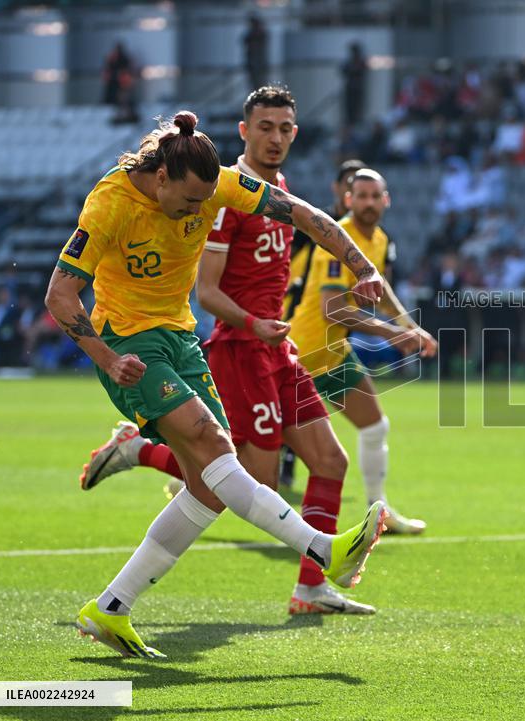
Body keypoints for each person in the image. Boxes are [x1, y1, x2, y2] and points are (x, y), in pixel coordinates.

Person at [46, 110, 387, 658]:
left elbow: (301, 214)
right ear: (160, 179)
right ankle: (323, 549)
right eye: (186, 203)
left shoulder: (217, 186)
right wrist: (107, 359)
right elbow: (60, 296)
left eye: (204, 203)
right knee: (211, 446)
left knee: (210, 482)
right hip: (129, 344)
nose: (195, 213)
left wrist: (359, 264)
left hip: (180, 339)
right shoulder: (107, 205)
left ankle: (111, 607)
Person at [288, 167, 438, 534]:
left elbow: (381, 290)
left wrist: (409, 326)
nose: (369, 203)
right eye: (362, 196)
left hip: (331, 351)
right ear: (348, 199)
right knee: (247, 450)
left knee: (374, 426)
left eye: (376, 196)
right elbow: (333, 308)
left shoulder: (380, 240)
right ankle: (170, 468)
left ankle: (378, 514)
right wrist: (393, 334)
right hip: (299, 354)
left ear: (386, 200)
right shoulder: (336, 240)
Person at [279, 158, 365, 487]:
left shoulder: (372, 237)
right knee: (279, 408)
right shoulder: (320, 227)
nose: (351, 191)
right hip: (294, 318)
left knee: (296, 406)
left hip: (328, 337)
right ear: (339, 189)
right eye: (348, 184)